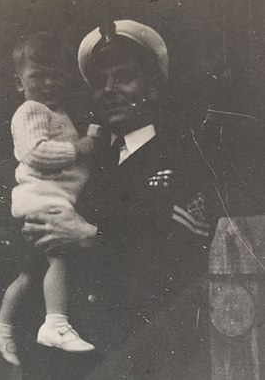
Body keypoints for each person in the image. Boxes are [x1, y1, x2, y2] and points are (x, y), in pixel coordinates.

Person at [21, 20, 217, 379]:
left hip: (142, 359)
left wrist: (90, 238)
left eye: (123, 76)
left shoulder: (185, 159)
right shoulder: (89, 161)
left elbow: (184, 266)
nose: (109, 89)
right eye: (99, 81)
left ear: (154, 86)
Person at [0, 31, 103, 366]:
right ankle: (56, 324)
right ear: (20, 83)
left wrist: (86, 143)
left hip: (40, 198)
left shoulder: (56, 111)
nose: (49, 84)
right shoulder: (30, 110)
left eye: (56, 77)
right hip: (43, 199)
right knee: (61, 256)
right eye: (38, 77)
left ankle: (0, 327)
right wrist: (80, 148)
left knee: (31, 273)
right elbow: (34, 152)